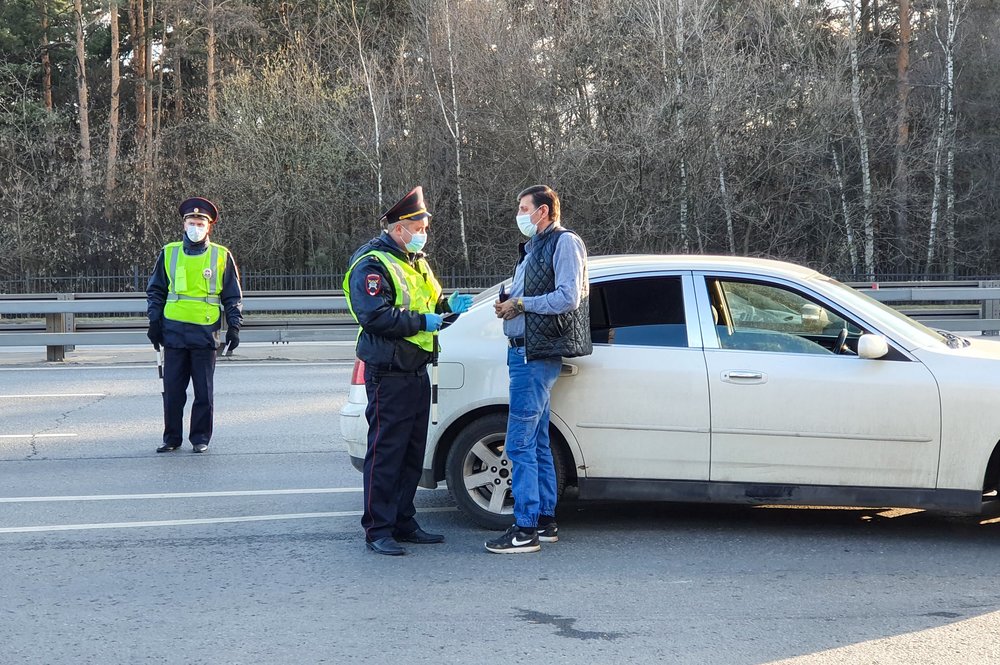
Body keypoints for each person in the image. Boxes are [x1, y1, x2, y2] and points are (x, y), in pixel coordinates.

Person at [344, 186, 474, 556]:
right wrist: (425, 320)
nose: (423, 232)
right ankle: (378, 528)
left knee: (411, 452)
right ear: (399, 227)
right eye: (418, 225)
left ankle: (403, 520)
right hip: (388, 370)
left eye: (425, 226)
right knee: (386, 452)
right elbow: (375, 315)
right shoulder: (371, 264)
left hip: (416, 368)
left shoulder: (415, 260)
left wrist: (450, 307)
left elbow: (429, 303)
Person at [486, 184, 592, 554]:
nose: (519, 214)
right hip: (525, 351)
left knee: (518, 443)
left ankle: (525, 529)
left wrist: (521, 304)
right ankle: (544, 522)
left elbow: (568, 296)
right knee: (537, 441)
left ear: (543, 211)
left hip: (535, 356)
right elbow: (522, 293)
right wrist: (507, 302)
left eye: (523, 207)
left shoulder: (565, 243)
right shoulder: (535, 247)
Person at [146, 197, 243, 454]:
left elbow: (232, 296)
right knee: (173, 391)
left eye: (200, 223)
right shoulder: (169, 252)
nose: (195, 226)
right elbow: (156, 290)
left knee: (203, 392)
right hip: (174, 331)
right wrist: (154, 321)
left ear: (208, 226)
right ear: (184, 224)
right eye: (191, 222)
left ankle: (200, 438)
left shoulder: (221, 255)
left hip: (205, 332)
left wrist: (234, 325)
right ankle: (171, 438)